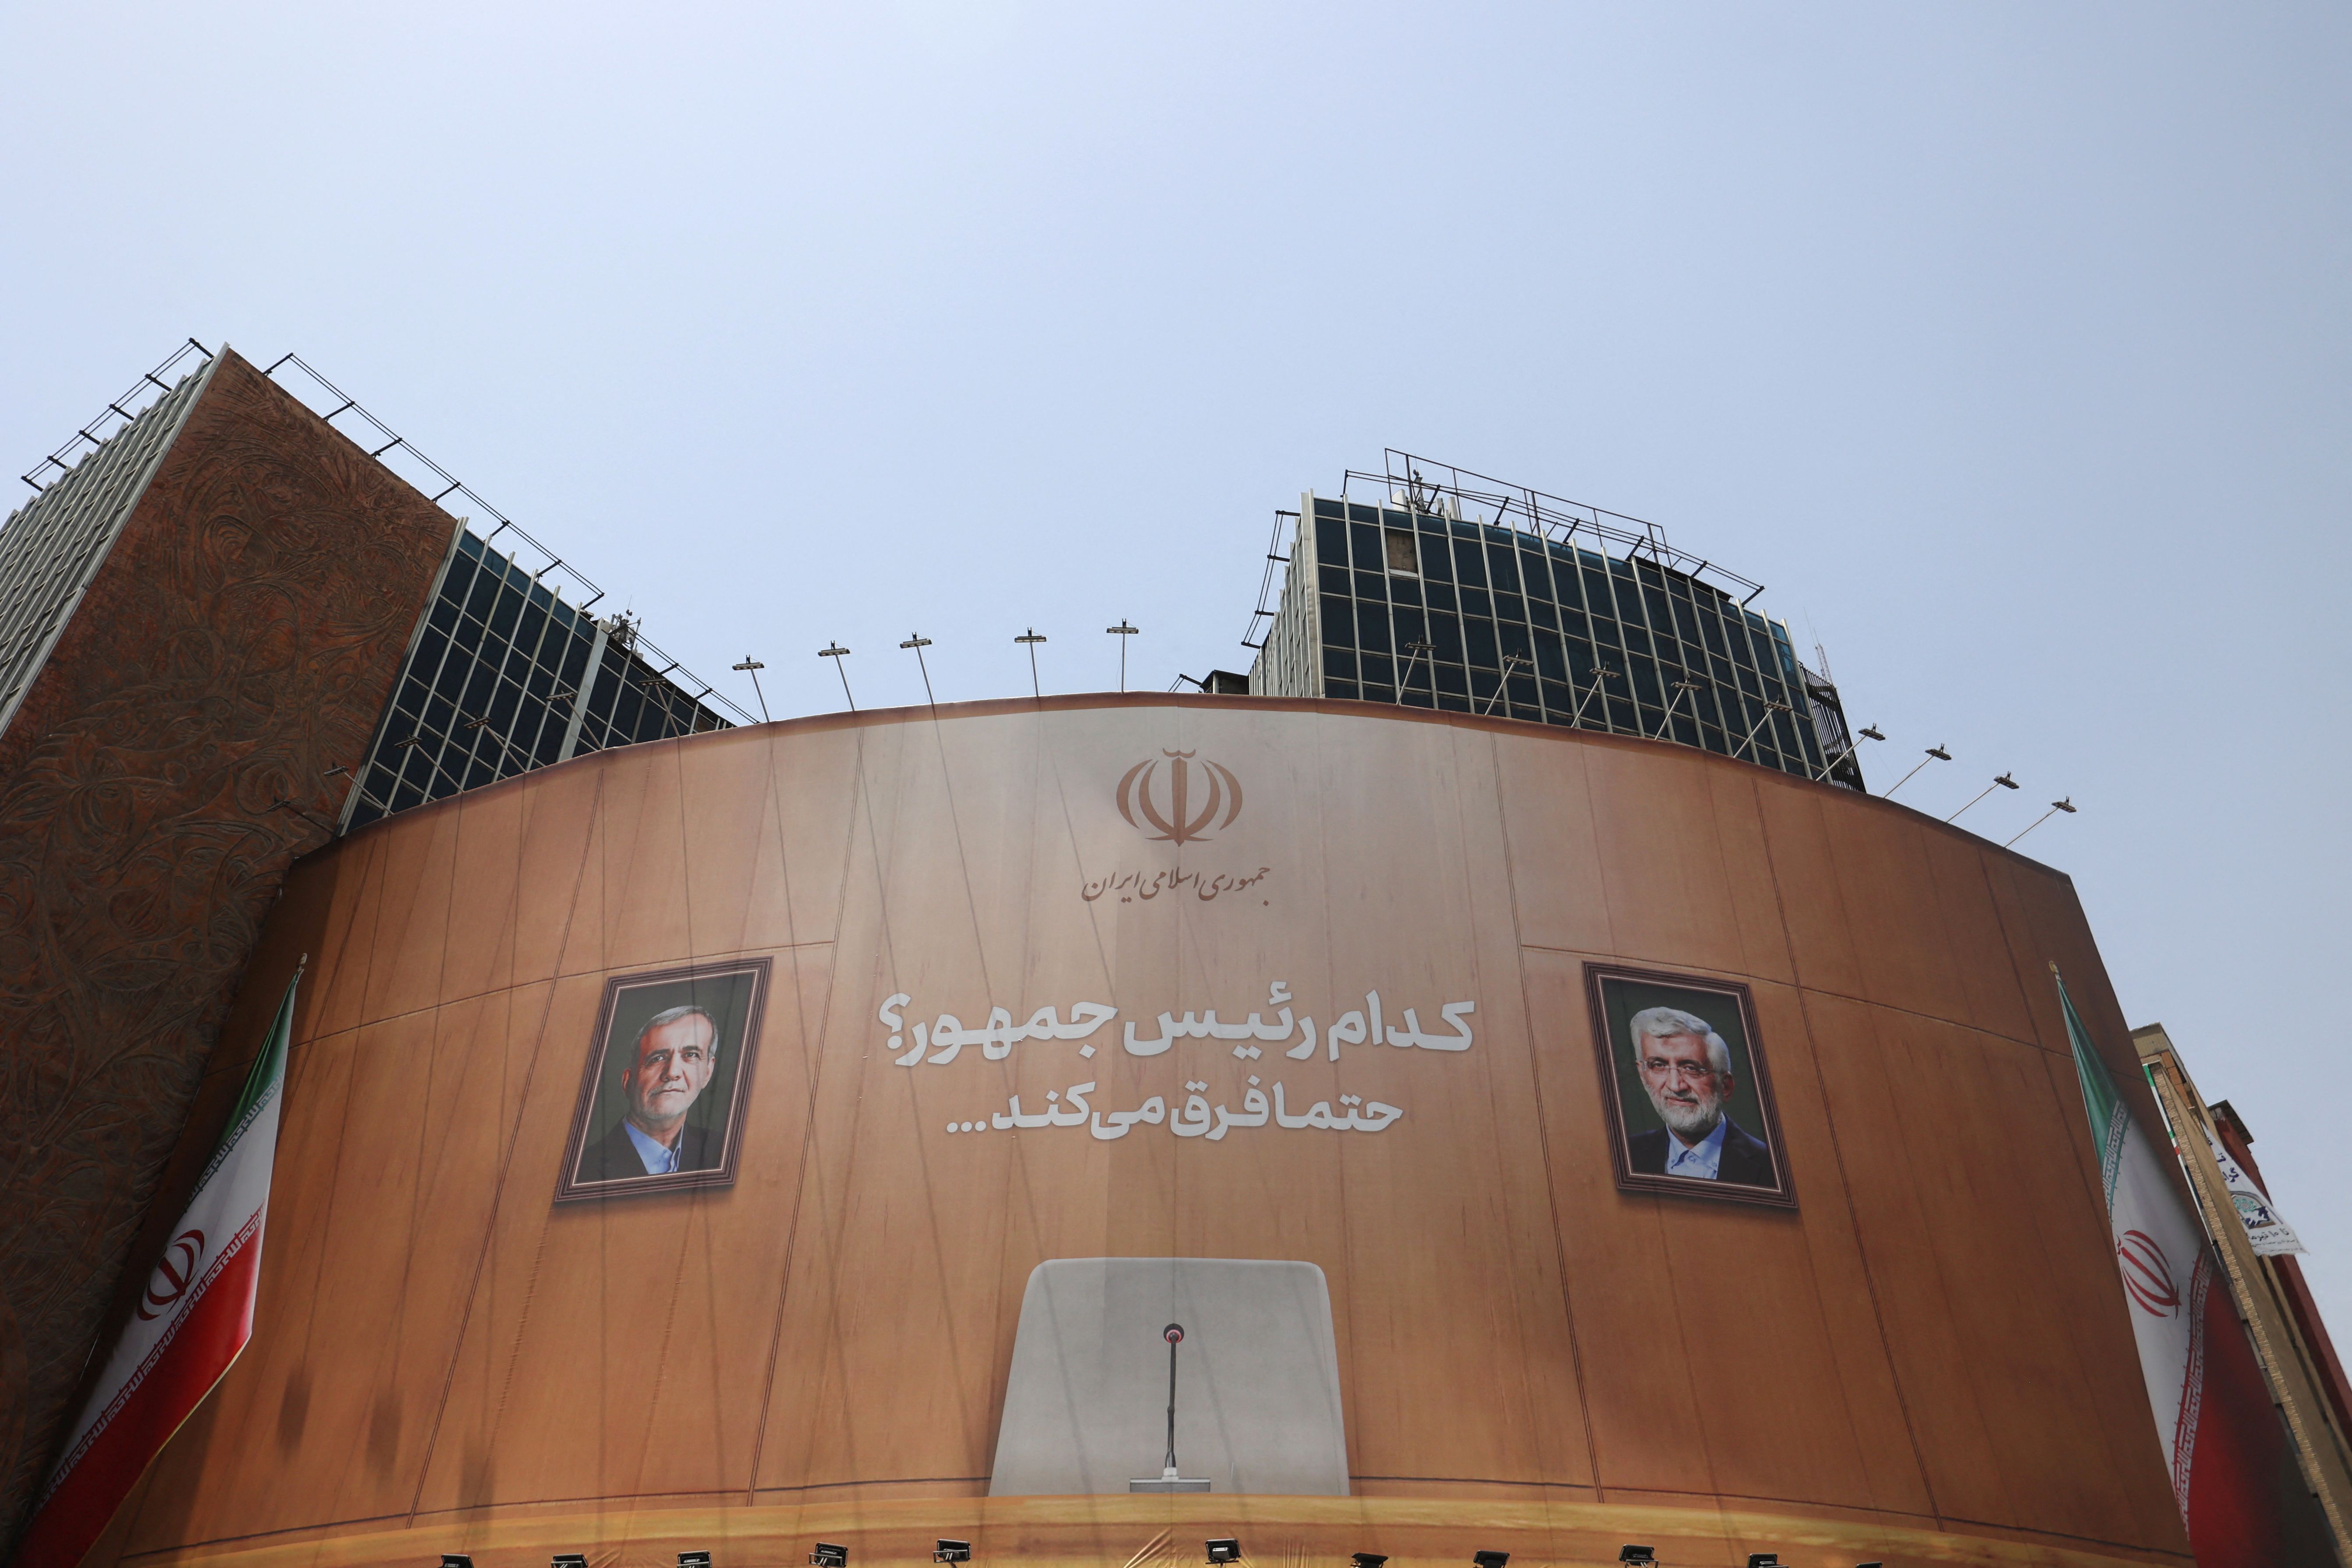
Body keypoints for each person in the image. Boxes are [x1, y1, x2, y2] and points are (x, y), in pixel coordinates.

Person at [1623, 1005, 1775, 1186]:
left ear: (1725, 1087)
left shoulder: (1772, 1167)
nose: (1675, 1086)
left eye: (1691, 1068)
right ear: (1642, 1074)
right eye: (1659, 1065)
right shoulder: (1623, 1156)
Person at [582, 1004, 723, 1181]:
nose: (672, 1072)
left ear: (708, 1072)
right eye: (658, 1058)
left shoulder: (724, 1151)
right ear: (628, 1082)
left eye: (691, 1055)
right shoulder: (584, 1169)